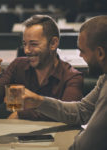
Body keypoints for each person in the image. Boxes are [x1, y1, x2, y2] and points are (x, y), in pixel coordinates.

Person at [21, 15, 107, 150]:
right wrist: (39, 101)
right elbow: (82, 111)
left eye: (82, 51)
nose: (80, 56)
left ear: (100, 53)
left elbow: (87, 144)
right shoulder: (104, 78)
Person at [0, 15, 83, 120]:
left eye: (33, 44)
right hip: (20, 134)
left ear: (53, 43)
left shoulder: (72, 77)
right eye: (25, 44)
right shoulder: (18, 65)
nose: (26, 50)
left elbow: (68, 115)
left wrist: (21, 114)